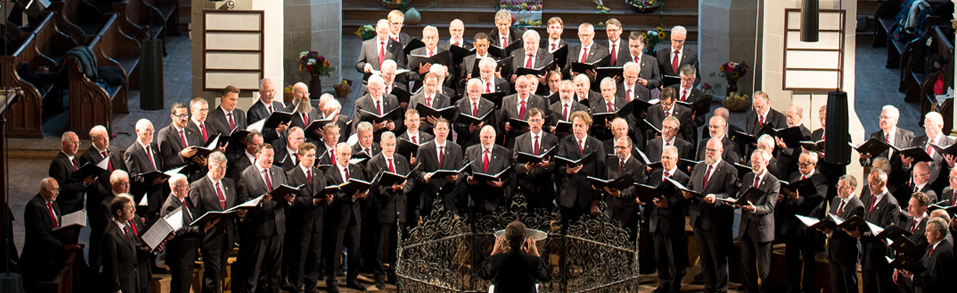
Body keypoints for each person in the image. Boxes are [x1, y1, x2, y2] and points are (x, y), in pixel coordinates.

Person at [682, 138, 738, 293]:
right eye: (707, 150)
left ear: (721, 151)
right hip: (698, 220)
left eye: (712, 150)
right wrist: (686, 193)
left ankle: (721, 289)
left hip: (715, 221)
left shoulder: (729, 170)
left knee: (718, 258)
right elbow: (691, 186)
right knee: (704, 258)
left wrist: (716, 198)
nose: (709, 153)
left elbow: (730, 194)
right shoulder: (699, 167)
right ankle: (708, 287)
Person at [236, 144, 293, 293]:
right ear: (257, 155)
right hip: (259, 228)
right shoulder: (246, 175)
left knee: (275, 269)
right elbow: (244, 202)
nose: (270, 159)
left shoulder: (278, 171)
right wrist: (260, 202)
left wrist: (288, 199)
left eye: (272, 156)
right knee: (254, 269)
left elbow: (285, 191)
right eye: (267, 155)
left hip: (278, 226)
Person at [189, 151, 243, 293]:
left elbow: (234, 204)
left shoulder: (229, 183)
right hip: (210, 237)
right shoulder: (198, 186)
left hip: (227, 236)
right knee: (213, 275)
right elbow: (194, 216)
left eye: (224, 167)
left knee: (218, 273)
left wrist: (240, 213)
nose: (222, 171)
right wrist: (201, 232)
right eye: (219, 167)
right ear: (210, 166)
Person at [365, 132, 412, 289]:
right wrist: (391, 188)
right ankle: (379, 275)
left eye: (393, 145)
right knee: (378, 246)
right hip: (382, 209)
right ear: (381, 144)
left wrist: (403, 188)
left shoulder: (402, 160)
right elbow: (374, 186)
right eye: (387, 145)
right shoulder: (373, 162)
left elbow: (410, 180)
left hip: (400, 208)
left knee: (396, 245)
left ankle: (393, 273)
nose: (390, 148)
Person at [21, 178, 83, 292]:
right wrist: (62, 246)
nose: (57, 193)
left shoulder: (53, 202)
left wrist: (65, 233)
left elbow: (55, 225)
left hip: (53, 257)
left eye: (58, 190)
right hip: (39, 261)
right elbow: (40, 235)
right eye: (54, 190)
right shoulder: (34, 206)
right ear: (44, 191)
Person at [641, 146, 689, 293]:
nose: (665, 160)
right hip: (656, 221)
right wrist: (644, 199)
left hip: (673, 224)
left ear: (676, 159)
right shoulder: (656, 175)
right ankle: (663, 283)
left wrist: (667, 204)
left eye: (668, 158)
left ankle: (674, 286)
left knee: (674, 258)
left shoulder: (683, 178)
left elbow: (684, 202)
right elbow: (650, 192)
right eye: (663, 157)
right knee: (659, 257)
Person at [778, 151, 827, 293]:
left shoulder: (821, 180)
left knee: (809, 261)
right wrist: (783, 199)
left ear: (814, 164)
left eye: (804, 165)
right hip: (791, 226)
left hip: (808, 228)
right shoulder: (794, 176)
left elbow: (817, 204)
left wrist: (798, 199)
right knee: (791, 260)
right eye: (799, 164)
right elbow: (788, 197)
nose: (801, 167)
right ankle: (792, 287)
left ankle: (807, 289)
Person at [324, 143, 370, 292]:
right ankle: (331, 282)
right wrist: (353, 197)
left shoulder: (356, 169)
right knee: (334, 251)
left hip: (355, 216)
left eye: (348, 154)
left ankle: (352, 279)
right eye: (343, 154)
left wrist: (364, 193)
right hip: (338, 217)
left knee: (354, 250)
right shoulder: (330, 173)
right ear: (336, 154)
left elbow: (363, 185)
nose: (346, 157)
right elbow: (334, 196)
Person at [284, 142, 329, 293]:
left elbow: (323, 193)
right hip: (300, 223)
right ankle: (296, 287)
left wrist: (328, 199)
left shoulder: (319, 174)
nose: (312, 159)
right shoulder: (291, 175)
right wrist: (312, 201)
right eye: (309, 156)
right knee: (299, 257)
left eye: (313, 156)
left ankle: (311, 287)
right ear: (300, 156)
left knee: (315, 257)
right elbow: (292, 201)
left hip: (317, 222)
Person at [81, 125, 128, 268]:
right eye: (102, 139)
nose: (106, 141)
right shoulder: (87, 157)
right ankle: (95, 266)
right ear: (93, 140)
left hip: (115, 199)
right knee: (99, 234)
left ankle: (112, 263)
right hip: (99, 203)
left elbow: (122, 171)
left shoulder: (113, 151)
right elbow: (93, 184)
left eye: (107, 137)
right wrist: (111, 193)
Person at [735, 149, 780, 293]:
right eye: (752, 162)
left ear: (766, 162)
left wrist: (754, 208)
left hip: (762, 230)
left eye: (757, 162)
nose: (754, 165)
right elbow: (741, 195)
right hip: (746, 228)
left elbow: (769, 207)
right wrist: (735, 201)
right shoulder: (748, 177)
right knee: (747, 265)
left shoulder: (773, 182)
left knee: (764, 268)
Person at [851, 169, 901, 293]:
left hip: (880, 258)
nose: (869, 187)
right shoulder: (870, 196)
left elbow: (883, 232)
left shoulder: (890, 203)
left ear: (883, 183)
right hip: (867, 255)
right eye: (868, 183)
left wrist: (861, 235)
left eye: (873, 183)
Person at [162, 174, 214, 293]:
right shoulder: (171, 205)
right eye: (185, 186)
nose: (188, 189)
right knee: (180, 288)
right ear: (175, 188)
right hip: (180, 256)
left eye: (187, 185)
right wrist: (201, 229)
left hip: (187, 254)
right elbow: (178, 230)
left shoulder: (183, 200)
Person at [556, 111, 606, 224]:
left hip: (588, 196)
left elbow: (600, 172)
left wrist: (597, 198)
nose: (577, 129)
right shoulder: (565, 142)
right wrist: (567, 171)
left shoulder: (597, 144)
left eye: (580, 126)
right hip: (568, 195)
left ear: (587, 127)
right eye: (575, 125)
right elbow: (560, 165)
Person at [819, 175, 864, 293]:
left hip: (846, 253)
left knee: (849, 286)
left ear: (852, 189)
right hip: (833, 250)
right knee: (836, 286)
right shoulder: (836, 200)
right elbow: (830, 218)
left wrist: (832, 232)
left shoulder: (857, 206)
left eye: (842, 187)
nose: (838, 190)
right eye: (838, 186)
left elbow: (850, 230)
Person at [478, 221, 550, 292]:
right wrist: (537, 255)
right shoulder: (533, 260)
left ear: (507, 239)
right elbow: (546, 276)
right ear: (524, 240)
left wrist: (493, 253)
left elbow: (483, 274)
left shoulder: (497, 259)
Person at [415, 118, 465, 217]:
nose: (442, 131)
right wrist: (424, 176)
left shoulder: (456, 149)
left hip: (450, 198)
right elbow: (417, 172)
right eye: (439, 129)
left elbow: (461, 172)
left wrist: (456, 178)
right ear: (434, 130)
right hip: (429, 198)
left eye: (444, 129)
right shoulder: (423, 149)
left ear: (448, 131)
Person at [512, 108, 559, 212]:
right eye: (532, 120)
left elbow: (557, 164)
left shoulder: (552, 140)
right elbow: (514, 164)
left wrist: (548, 165)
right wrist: (525, 167)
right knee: (527, 217)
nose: (535, 123)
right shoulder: (519, 140)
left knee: (545, 217)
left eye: (537, 120)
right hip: (526, 186)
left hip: (545, 185)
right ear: (528, 122)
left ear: (543, 121)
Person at [102, 195, 149, 293]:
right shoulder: (110, 234)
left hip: (132, 280)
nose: (132, 211)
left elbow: (135, 247)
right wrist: (116, 288)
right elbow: (111, 265)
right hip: (122, 284)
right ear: (119, 212)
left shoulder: (126, 227)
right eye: (128, 208)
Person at [894, 217, 954, 293]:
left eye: (928, 231)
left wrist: (912, 277)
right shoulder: (936, 246)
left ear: (937, 234)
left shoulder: (941, 253)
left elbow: (934, 282)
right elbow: (924, 263)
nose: (925, 234)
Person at [124, 119, 167, 222]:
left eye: (152, 130)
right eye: (147, 130)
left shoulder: (154, 147)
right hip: (145, 202)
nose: (151, 133)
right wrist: (152, 181)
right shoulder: (131, 153)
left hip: (158, 199)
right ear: (138, 131)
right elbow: (135, 178)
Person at [463, 126, 513, 214]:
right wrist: (468, 179)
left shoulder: (505, 153)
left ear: (495, 137)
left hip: (496, 202)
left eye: (491, 137)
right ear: (480, 137)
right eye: (485, 137)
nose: (488, 140)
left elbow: (510, 175)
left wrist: (501, 184)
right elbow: (463, 171)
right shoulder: (470, 151)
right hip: (475, 200)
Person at [599, 136, 645, 231]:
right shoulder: (610, 161)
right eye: (617, 147)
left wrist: (620, 193)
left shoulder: (638, 166)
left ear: (630, 148)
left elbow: (634, 188)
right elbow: (605, 179)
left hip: (626, 213)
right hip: (609, 210)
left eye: (622, 147)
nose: (619, 150)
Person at [49, 131, 95, 214]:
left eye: (78, 143)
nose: (77, 146)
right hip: (66, 207)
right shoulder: (58, 162)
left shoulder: (75, 160)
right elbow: (61, 187)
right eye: (73, 143)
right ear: (64, 143)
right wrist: (83, 183)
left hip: (78, 205)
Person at [501, 75, 548, 148]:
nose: (523, 89)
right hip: (512, 142)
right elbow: (501, 122)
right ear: (516, 87)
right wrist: (505, 127)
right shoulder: (507, 101)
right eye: (521, 87)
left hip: (530, 142)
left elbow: (544, 125)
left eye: (526, 86)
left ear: (529, 87)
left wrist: (533, 129)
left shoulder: (539, 101)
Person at [455, 78, 497, 148]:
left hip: (483, 145)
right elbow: (456, 126)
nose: (474, 94)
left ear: (482, 90)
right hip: (465, 144)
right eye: (472, 91)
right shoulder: (459, 104)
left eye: (477, 91)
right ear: (467, 90)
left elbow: (493, 127)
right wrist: (470, 129)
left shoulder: (489, 105)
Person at [247, 78, 289, 144]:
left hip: (283, 145)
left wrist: (287, 124)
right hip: (268, 146)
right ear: (260, 92)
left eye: (273, 91)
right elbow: (257, 136)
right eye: (268, 91)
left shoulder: (279, 105)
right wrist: (277, 131)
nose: (271, 94)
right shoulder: (254, 111)